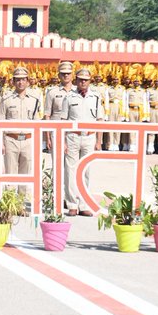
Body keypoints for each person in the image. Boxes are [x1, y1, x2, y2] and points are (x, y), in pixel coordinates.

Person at [56, 67, 103, 216]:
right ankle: (71, 204)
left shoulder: (95, 97)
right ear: (75, 80)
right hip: (72, 137)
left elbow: (99, 120)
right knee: (70, 171)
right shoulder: (69, 97)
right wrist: (62, 141)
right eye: (80, 79)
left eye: (86, 80)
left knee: (86, 171)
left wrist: (99, 141)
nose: (83, 82)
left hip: (89, 137)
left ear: (90, 81)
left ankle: (84, 205)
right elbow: (63, 121)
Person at [0, 66, 40, 180]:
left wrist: (36, 143)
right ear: (13, 81)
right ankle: (10, 197)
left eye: (23, 79)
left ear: (28, 82)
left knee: (26, 173)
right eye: (17, 79)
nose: (20, 82)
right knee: (10, 173)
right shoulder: (6, 100)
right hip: (11, 140)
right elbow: (1, 123)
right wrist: (1, 143)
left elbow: (36, 124)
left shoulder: (34, 100)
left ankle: (23, 197)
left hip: (28, 140)